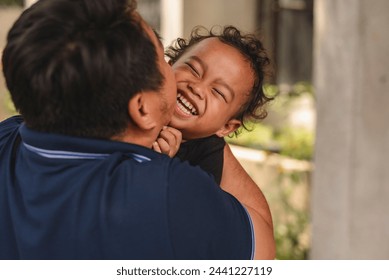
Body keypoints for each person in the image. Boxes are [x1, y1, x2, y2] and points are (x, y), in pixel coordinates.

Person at [0, 0, 274, 260]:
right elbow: (262, 249)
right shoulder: (170, 193)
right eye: (162, 56)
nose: (195, 87)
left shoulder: (7, 137)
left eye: (217, 91)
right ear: (142, 109)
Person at [153, 26, 275, 230]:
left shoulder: (208, 155)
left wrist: (164, 166)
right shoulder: (132, 100)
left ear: (226, 127)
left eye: (218, 92)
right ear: (168, 68)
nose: (197, 88)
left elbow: (184, 217)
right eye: (193, 69)